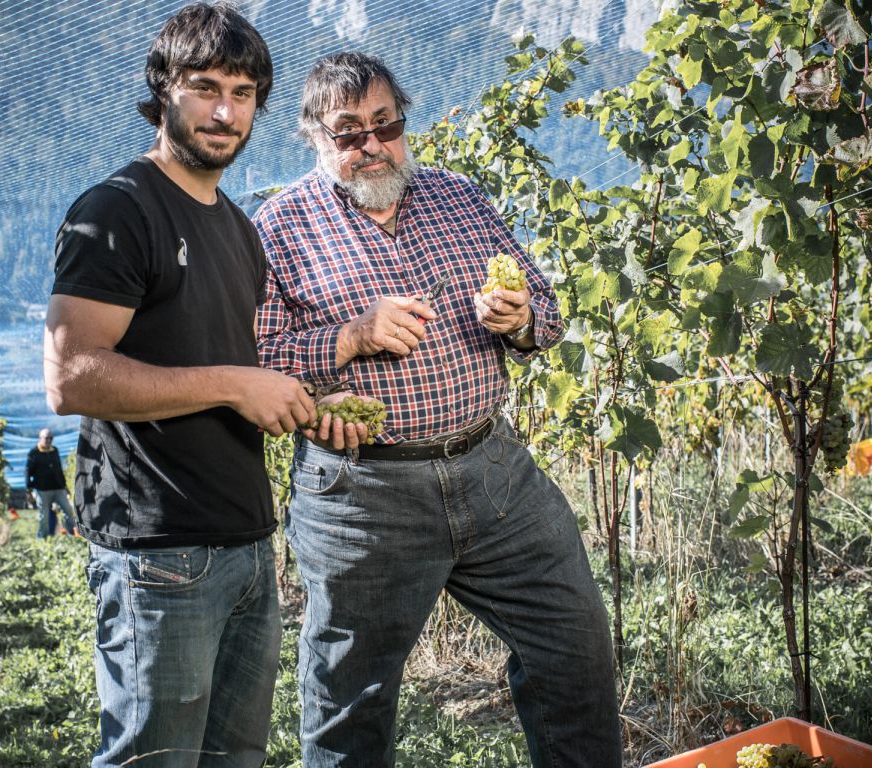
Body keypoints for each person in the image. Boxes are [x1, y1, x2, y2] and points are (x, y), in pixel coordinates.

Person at [255, 52, 621, 768]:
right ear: (314, 138)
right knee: (349, 703)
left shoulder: (459, 197)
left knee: (573, 644)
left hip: (494, 471)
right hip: (364, 494)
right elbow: (258, 360)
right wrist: (352, 337)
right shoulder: (278, 227)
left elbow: (544, 310)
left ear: (402, 123)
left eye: (384, 125)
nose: (371, 146)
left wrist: (517, 317)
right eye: (348, 132)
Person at [42, 4, 317, 767]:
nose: (224, 111)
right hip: (157, 550)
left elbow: (225, 360)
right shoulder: (119, 210)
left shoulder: (238, 226)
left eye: (243, 91)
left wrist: (295, 398)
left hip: (246, 544)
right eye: (203, 87)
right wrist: (235, 384)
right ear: (163, 88)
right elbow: (70, 377)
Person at [24, 428, 76, 537]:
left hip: (58, 487)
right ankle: (43, 538)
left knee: (68, 510)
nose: (49, 440)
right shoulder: (34, 453)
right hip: (42, 489)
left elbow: (59, 469)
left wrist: (65, 486)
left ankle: (73, 533)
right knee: (44, 516)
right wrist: (29, 489)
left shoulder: (54, 450)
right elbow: (28, 472)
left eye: (51, 438)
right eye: (46, 438)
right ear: (40, 438)